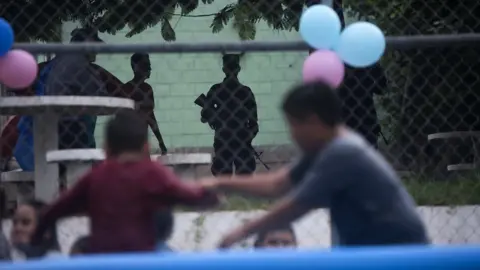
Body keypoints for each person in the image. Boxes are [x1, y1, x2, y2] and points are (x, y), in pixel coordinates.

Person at [198, 81, 429, 248]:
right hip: (369, 248)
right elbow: (276, 184)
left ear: (313, 121)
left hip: (398, 250)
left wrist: (240, 233)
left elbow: (296, 206)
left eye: (293, 125)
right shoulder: (327, 147)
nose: (292, 135)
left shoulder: (343, 153)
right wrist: (220, 183)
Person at [31, 109, 220, 254]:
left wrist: (37, 237)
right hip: (141, 260)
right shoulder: (153, 173)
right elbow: (189, 196)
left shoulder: (95, 177)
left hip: (104, 260)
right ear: (146, 148)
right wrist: (210, 195)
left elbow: (56, 209)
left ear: (106, 148)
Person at [13, 27, 106, 172]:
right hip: (67, 130)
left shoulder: (59, 61)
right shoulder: (79, 64)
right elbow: (101, 97)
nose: (97, 51)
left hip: (49, 128)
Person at [200, 54, 258, 175]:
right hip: (238, 140)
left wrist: (212, 117)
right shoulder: (246, 92)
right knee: (242, 181)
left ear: (224, 69)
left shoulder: (216, 90)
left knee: (224, 180)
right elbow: (254, 125)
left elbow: (204, 117)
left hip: (224, 139)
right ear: (238, 69)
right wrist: (247, 139)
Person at [120, 53, 167, 154]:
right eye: (145, 64)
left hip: (141, 141)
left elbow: (151, 117)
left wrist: (161, 141)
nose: (149, 68)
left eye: (149, 65)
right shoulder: (126, 89)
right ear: (135, 67)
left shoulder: (147, 89)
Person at [338, 63, 387, 148]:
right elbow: (380, 88)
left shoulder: (336, 61)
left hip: (346, 118)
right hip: (365, 119)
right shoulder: (368, 61)